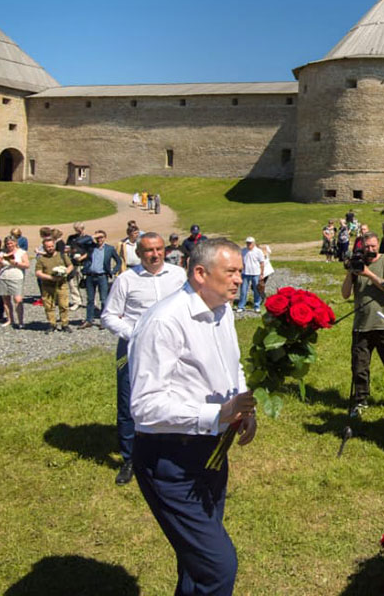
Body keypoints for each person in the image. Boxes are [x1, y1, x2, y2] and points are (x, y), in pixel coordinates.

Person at [129, 237, 256, 596]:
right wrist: (217, 413)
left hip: (212, 453)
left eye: (240, 272)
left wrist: (241, 406)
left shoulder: (223, 310)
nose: (238, 280)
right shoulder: (163, 322)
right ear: (200, 273)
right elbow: (144, 406)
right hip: (170, 460)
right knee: (218, 567)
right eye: (230, 272)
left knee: (198, 564)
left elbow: (233, 367)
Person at [103, 232, 186, 486]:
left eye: (159, 249)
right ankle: (131, 458)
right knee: (130, 401)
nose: (155, 254)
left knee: (174, 396)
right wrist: (136, 334)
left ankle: (170, 454)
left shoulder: (178, 276)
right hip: (133, 349)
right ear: (138, 254)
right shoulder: (126, 280)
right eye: (149, 250)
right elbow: (109, 316)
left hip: (172, 348)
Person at [340, 230, 384, 417]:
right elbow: (345, 294)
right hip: (362, 325)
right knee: (359, 367)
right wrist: (351, 273)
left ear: (378, 246)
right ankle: (360, 401)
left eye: (373, 246)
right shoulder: (358, 263)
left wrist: (368, 274)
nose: (370, 250)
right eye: (367, 247)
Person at [82, 230, 122, 327]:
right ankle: (89, 320)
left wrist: (112, 271)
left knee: (104, 299)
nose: (99, 239)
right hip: (90, 276)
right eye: (98, 237)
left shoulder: (109, 249)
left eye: (101, 237)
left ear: (105, 238)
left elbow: (119, 261)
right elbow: (80, 242)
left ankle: (103, 320)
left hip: (102, 276)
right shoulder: (91, 247)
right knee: (90, 299)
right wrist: (92, 236)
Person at [35, 236, 73, 332]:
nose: (50, 248)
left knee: (63, 305)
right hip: (47, 286)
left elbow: (70, 266)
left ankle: (64, 323)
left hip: (61, 284)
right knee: (49, 306)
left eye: (51, 246)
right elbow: (38, 273)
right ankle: (52, 323)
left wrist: (65, 273)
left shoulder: (62, 255)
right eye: (48, 247)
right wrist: (51, 278)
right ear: (44, 247)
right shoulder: (41, 259)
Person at [0, 234, 30, 328]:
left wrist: (16, 263)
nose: (9, 245)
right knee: (6, 300)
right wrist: (0, 262)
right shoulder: (2, 253)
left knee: (18, 299)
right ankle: (10, 319)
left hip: (16, 277)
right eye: (7, 244)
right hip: (3, 277)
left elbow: (27, 265)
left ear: (15, 243)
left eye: (11, 243)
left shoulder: (21, 252)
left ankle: (21, 321)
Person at [237, 237, 267, 313]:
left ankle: (256, 306)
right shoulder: (243, 251)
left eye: (250, 243)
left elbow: (262, 263)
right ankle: (241, 306)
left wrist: (262, 273)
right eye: (247, 242)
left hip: (255, 273)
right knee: (243, 290)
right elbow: (241, 262)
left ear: (253, 243)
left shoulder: (258, 251)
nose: (248, 244)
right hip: (245, 273)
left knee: (256, 290)